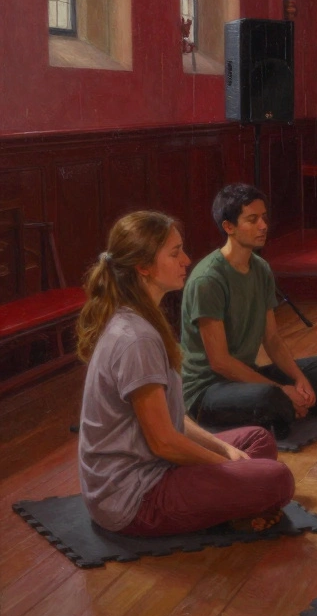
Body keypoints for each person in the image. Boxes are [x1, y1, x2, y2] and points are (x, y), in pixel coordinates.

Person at [76, 211, 294, 537]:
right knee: (278, 479)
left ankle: (235, 507)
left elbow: (172, 417)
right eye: (175, 252)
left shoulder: (144, 318)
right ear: (144, 267)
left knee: (257, 440)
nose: (187, 260)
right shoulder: (136, 338)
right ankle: (237, 506)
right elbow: (164, 441)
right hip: (133, 498)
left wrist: (223, 452)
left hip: (156, 467)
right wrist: (224, 467)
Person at [181, 183, 317, 439]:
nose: (263, 226)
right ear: (229, 227)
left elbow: (272, 339)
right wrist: (281, 389)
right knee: (270, 396)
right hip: (208, 392)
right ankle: (287, 408)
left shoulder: (261, 269)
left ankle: (288, 408)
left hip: (246, 377)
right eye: (252, 219)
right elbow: (220, 362)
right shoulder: (208, 280)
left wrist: (298, 378)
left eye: (264, 218)